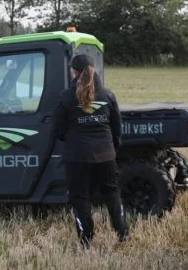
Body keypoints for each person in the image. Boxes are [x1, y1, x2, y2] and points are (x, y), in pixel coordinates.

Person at [53, 53, 130, 247]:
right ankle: (122, 232)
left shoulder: (65, 97)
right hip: (106, 155)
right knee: (112, 194)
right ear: (93, 70)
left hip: (77, 156)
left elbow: (59, 131)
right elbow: (117, 128)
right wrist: (111, 148)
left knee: (80, 197)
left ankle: (86, 239)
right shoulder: (108, 95)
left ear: (74, 72)